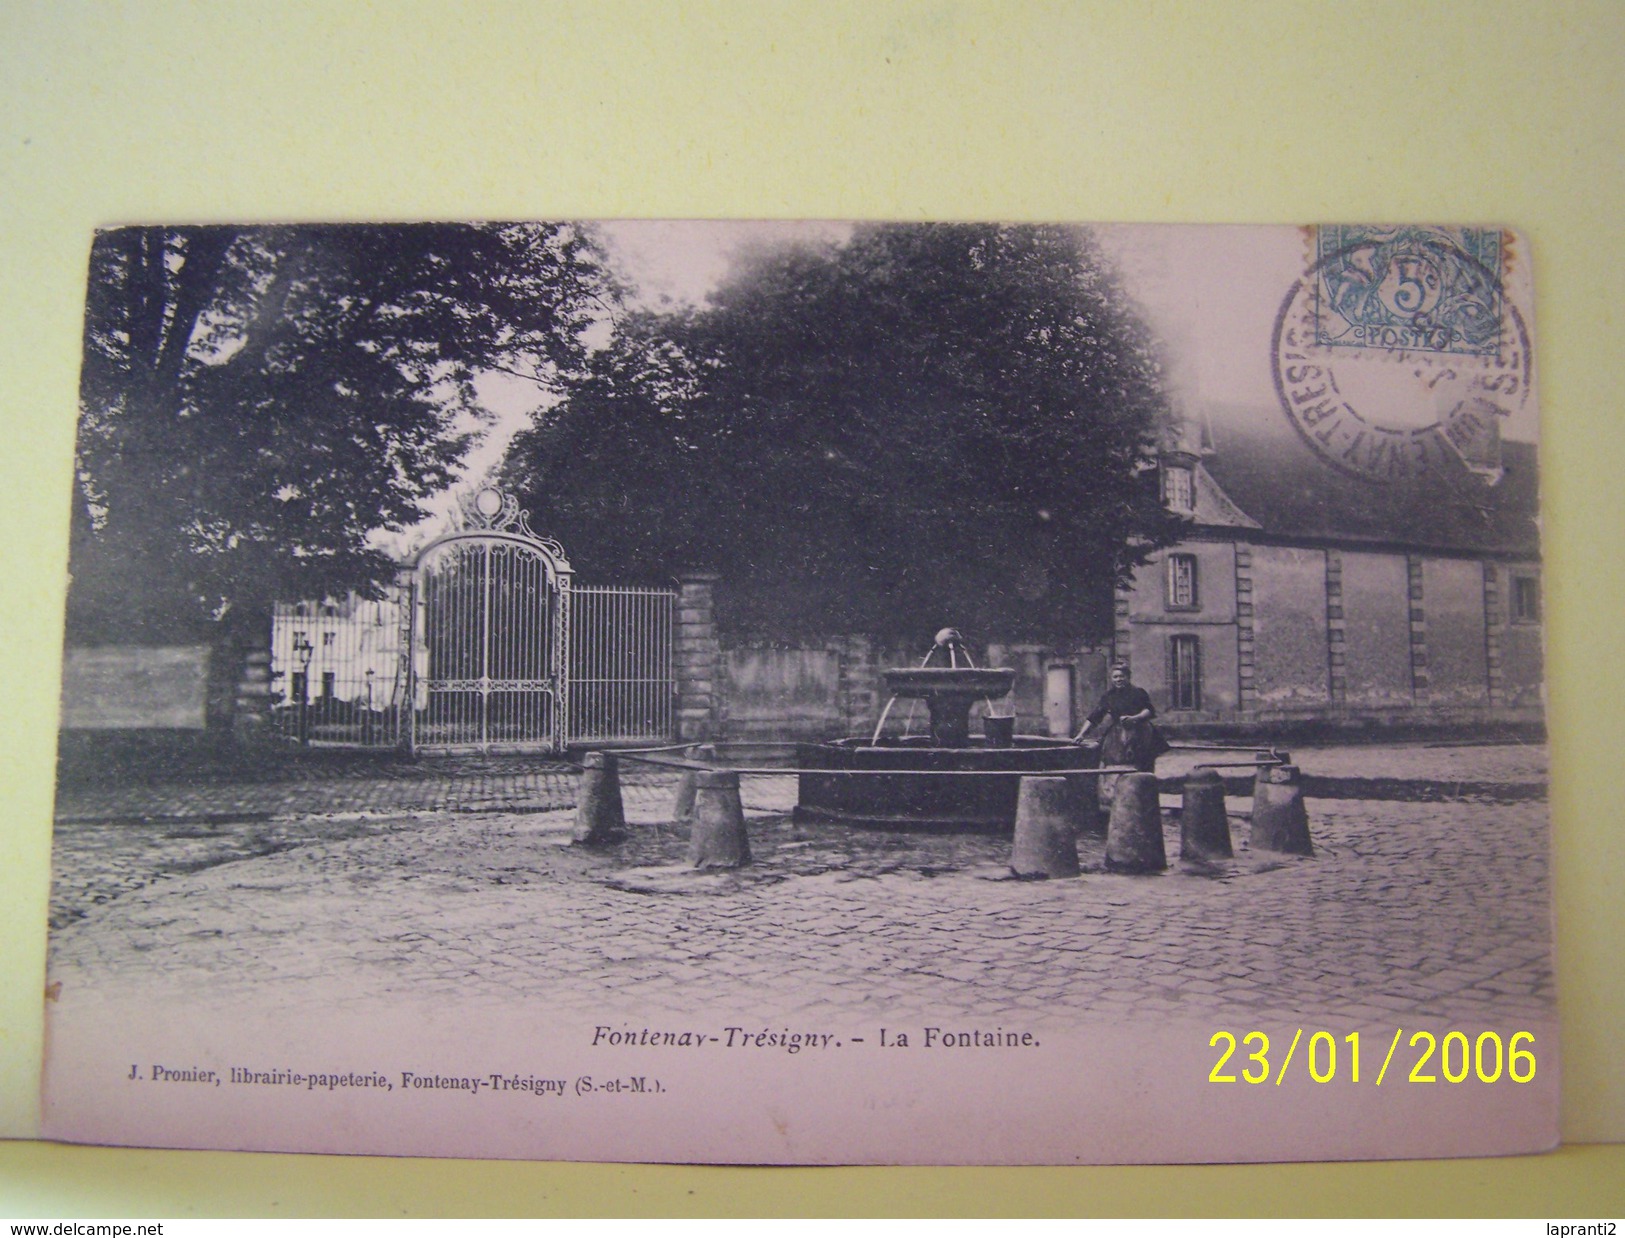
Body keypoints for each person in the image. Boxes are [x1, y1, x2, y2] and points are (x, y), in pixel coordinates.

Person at [1074, 662, 1166, 772]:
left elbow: (1149, 710)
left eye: (1121, 676)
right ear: (1112, 679)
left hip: (1141, 730)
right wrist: (1081, 734)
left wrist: (1135, 718)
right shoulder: (1109, 696)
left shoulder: (1138, 692)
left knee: (1144, 762)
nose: (1118, 679)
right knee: (1106, 754)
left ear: (1128, 677)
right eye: (1115, 677)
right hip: (1118, 731)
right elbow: (1095, 716)